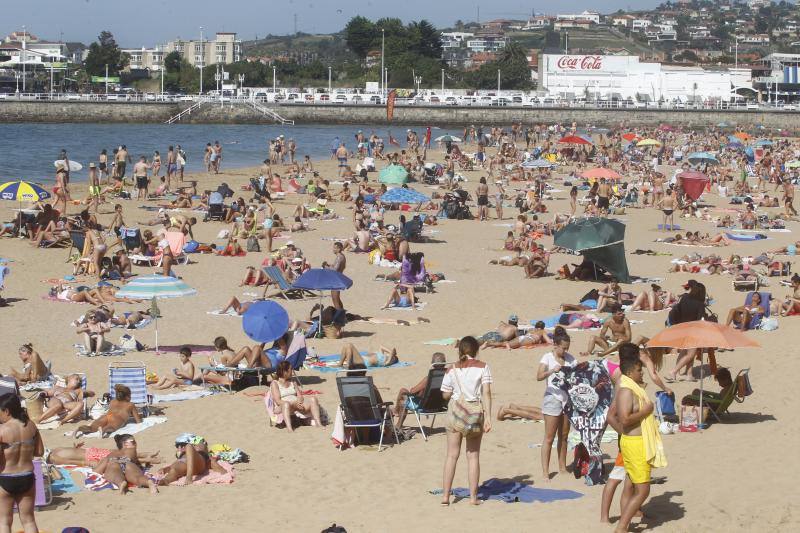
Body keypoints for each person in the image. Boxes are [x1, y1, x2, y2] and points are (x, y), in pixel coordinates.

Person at [614, 356, 666, 533]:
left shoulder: (633, 389)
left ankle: (625, 524)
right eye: (639, 370)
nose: (642, 372)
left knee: (630, 485)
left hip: (635, 442)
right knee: (643, 490)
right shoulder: (626, 391)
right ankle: (621, 527)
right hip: (635, 444)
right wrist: (645, 411)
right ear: (629, 372)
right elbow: (624, 419)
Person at [440, 336, 492, 506]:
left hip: (455, 413)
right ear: (476, 349)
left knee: (451, 455)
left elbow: (445, 394)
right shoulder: (483, 367)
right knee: (473, 456)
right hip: (474, 414)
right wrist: (489, 417)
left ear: (460, 350)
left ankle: (446, 496)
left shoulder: (452, 368)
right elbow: (486, 393)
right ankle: (473, 498)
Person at [0, 393, 44, 533]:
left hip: (6, 478)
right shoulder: (31, 426)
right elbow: (39, 452)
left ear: (6, 411)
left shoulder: (2, 430)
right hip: (27, 477)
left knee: (4, 521)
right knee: (28, 520)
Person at [537, 333, 576, 480]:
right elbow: (539, 376)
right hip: (552, 398)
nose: (565, 351)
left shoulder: (571, 359)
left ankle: (562, 467)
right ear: (556, 345)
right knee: (549, 437)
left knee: (564, 436)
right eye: (563, 348)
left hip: (567, 399)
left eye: (567, 348)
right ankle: (545, 472)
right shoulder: (547, 357)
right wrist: (552, 370)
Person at [393, 352, 447, 428]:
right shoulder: (447, 376)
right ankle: (395, 411)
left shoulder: (429, 379)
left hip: (424, 406)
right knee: (403, 391)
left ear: (432, 363)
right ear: (444, 364)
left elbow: (412, 391)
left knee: (403, 396)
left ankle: (398, 423)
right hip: (440, 405)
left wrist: (417, 392)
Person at [94, 434, 159, 494]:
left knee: (115, 476)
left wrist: (102, 470)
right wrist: (147, 461)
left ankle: (121, 483)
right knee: (137, 477)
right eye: (133, 442)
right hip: (128, 463)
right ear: (125, 444)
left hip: (114, 462)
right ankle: (149, 482)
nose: (135, 443)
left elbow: (98, 471)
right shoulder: (132, 450)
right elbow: (134, 462)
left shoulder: (112, 454)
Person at [269, 361, 323, 432]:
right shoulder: (275, 383)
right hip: (283, 406)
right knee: (286, 404)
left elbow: (300, 396)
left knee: (313, 399)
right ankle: (290, 429)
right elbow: (278, 401)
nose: (292, 371)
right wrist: (293, 403)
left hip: (297, 405)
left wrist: (299, 402)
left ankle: (318, 423)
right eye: (290, 369)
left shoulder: (293, 382)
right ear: (284, 371)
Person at [157, 434, 225, 486]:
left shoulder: (199, 449)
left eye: (182, 445)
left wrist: (221, 470)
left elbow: (211, 461)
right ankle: (166, 480)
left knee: (189, 447)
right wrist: (165, 469)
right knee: (174, 470)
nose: (180, 448)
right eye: (178, 446)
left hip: (197, 463)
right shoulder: (181, 453)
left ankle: (189, 477)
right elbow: (175, 463)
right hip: (183, 461)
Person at [75, 384, 139, 438]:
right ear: (127, 396)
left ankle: (79, 429)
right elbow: (138, 421)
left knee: (91, 428)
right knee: (111, 427)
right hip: (117, 419)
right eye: (130, 395)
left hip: (106, 416)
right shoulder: (130, 405)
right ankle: (104, 430)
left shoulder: (113, 401)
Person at [332, 344, 399, 369]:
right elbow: (381, 346)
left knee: (349, 346)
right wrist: (391, 353)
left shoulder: (387, 362)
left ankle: (348, 365)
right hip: (361, 359)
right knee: (346, 346)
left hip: (363, 363)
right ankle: (340, 364)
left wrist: (392, 355)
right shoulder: (383, 355)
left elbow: (393, 350)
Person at [322, 242, 346, 310]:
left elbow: (335, 270)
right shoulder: (342, 256)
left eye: (335, 248)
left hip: (336, 280)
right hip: (338, 278)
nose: (333, 249)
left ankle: (339, 316)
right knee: (337, 298)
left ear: (338, 249)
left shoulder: (339, 257)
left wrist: (326, 267)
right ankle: (342, 313)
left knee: (335, 299)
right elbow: (338, 267)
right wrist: (330, 265)